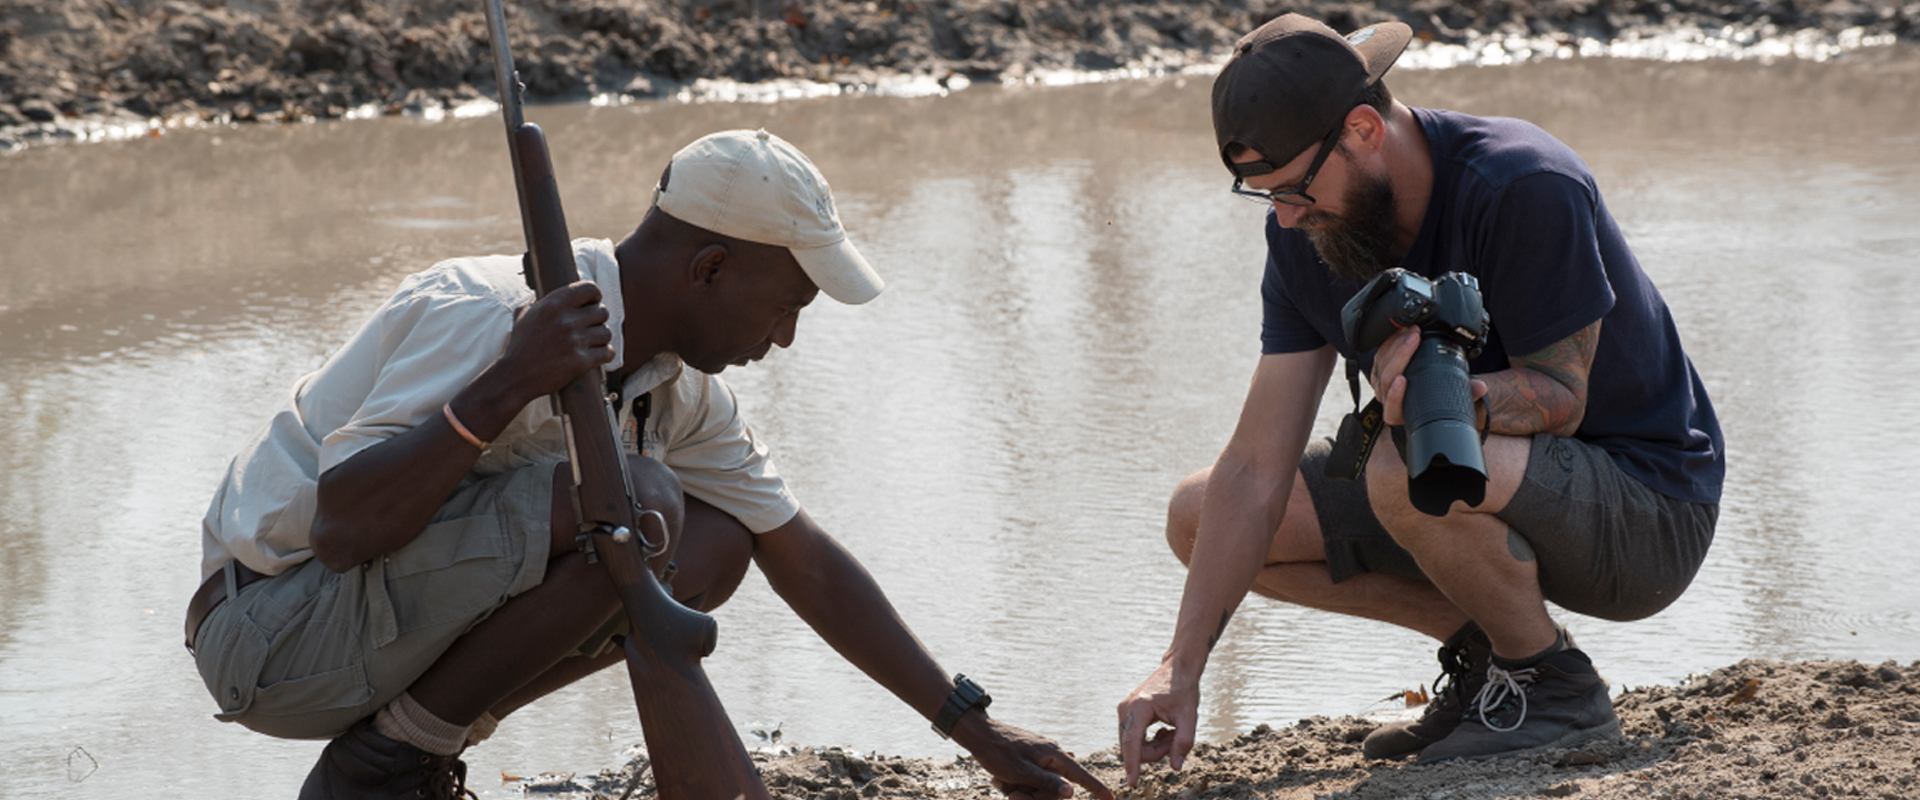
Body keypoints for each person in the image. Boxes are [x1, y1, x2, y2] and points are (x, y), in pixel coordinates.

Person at [187, 129, 1113, 800]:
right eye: (786, 304)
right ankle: (388, 766)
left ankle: (402, 753)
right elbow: (343, 529)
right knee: (641, 499)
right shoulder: (481, 310)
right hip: (271, 636)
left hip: (367, 644)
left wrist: (971, 728)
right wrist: (508, 382)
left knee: (714, 545)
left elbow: (804, 558)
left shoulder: (680, 391)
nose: (786, 337)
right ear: (708, 268)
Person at [1113, 14, 1724, 778]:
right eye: (1260, 194)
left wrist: (1448, 399)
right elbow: (1255, 469)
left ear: (1364, 129)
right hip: (1461, 481)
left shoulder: (1524, 183)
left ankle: (1555, 691)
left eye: (1294, 188)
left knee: (1405, 459)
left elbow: (1561, 395)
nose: (1283, 215)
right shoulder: (1306, 235)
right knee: (1201, 518)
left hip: (1646, 512)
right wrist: (1181, 666)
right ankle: (1495, 664)